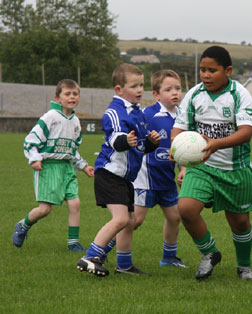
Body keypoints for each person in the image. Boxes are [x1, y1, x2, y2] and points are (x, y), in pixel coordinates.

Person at [171, 46, 252, 280]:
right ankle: (209, 253)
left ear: (228, 70)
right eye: (202, 70)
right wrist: (177, 150)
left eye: (212, 70)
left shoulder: (240, 95)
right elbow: (179, 128)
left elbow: (246, 132)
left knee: (240, 223)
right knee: (186, 209)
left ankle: (244, 267)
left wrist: (216, 144)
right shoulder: (194, 95)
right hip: (202, 167)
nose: (206, 75)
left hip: (235, 169)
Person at [76, 64, 160, 277]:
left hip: (124, 178)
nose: (140, 90)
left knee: (129, 222)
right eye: (134, 86)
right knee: (122, 220)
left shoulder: (138, 113)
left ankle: (124, 265)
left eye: (142, 85)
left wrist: (150, 142)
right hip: (109, 174)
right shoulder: (114, 111)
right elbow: (114, 138)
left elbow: (140, 146)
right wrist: (126, 139)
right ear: (119, 89)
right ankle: (91, 256)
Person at [13, 79, 94, 252]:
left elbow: (72, 150)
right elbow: (30, 141)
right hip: (48, 167)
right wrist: (35, 159)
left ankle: (73, 243)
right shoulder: (50, 117)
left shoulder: (76, 122)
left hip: (66, 168)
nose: (72, 97)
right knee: (44, 209)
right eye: (67, 94)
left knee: (75, 204)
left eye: (75, 94)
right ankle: (23, 225)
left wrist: (84, 166)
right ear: (57, 98)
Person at [133, 69, 187, 267]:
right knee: (135, 220)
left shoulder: (183, 117)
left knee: (175, 217)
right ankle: (102, 249)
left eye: (178, 88)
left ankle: (169, 257)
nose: (175, 93)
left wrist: (183, 169)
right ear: (156, 94)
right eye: (169, 89)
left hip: (166, 179)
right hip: (146, 179)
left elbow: (184, 148)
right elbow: (137, 143)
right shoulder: (148, 115)